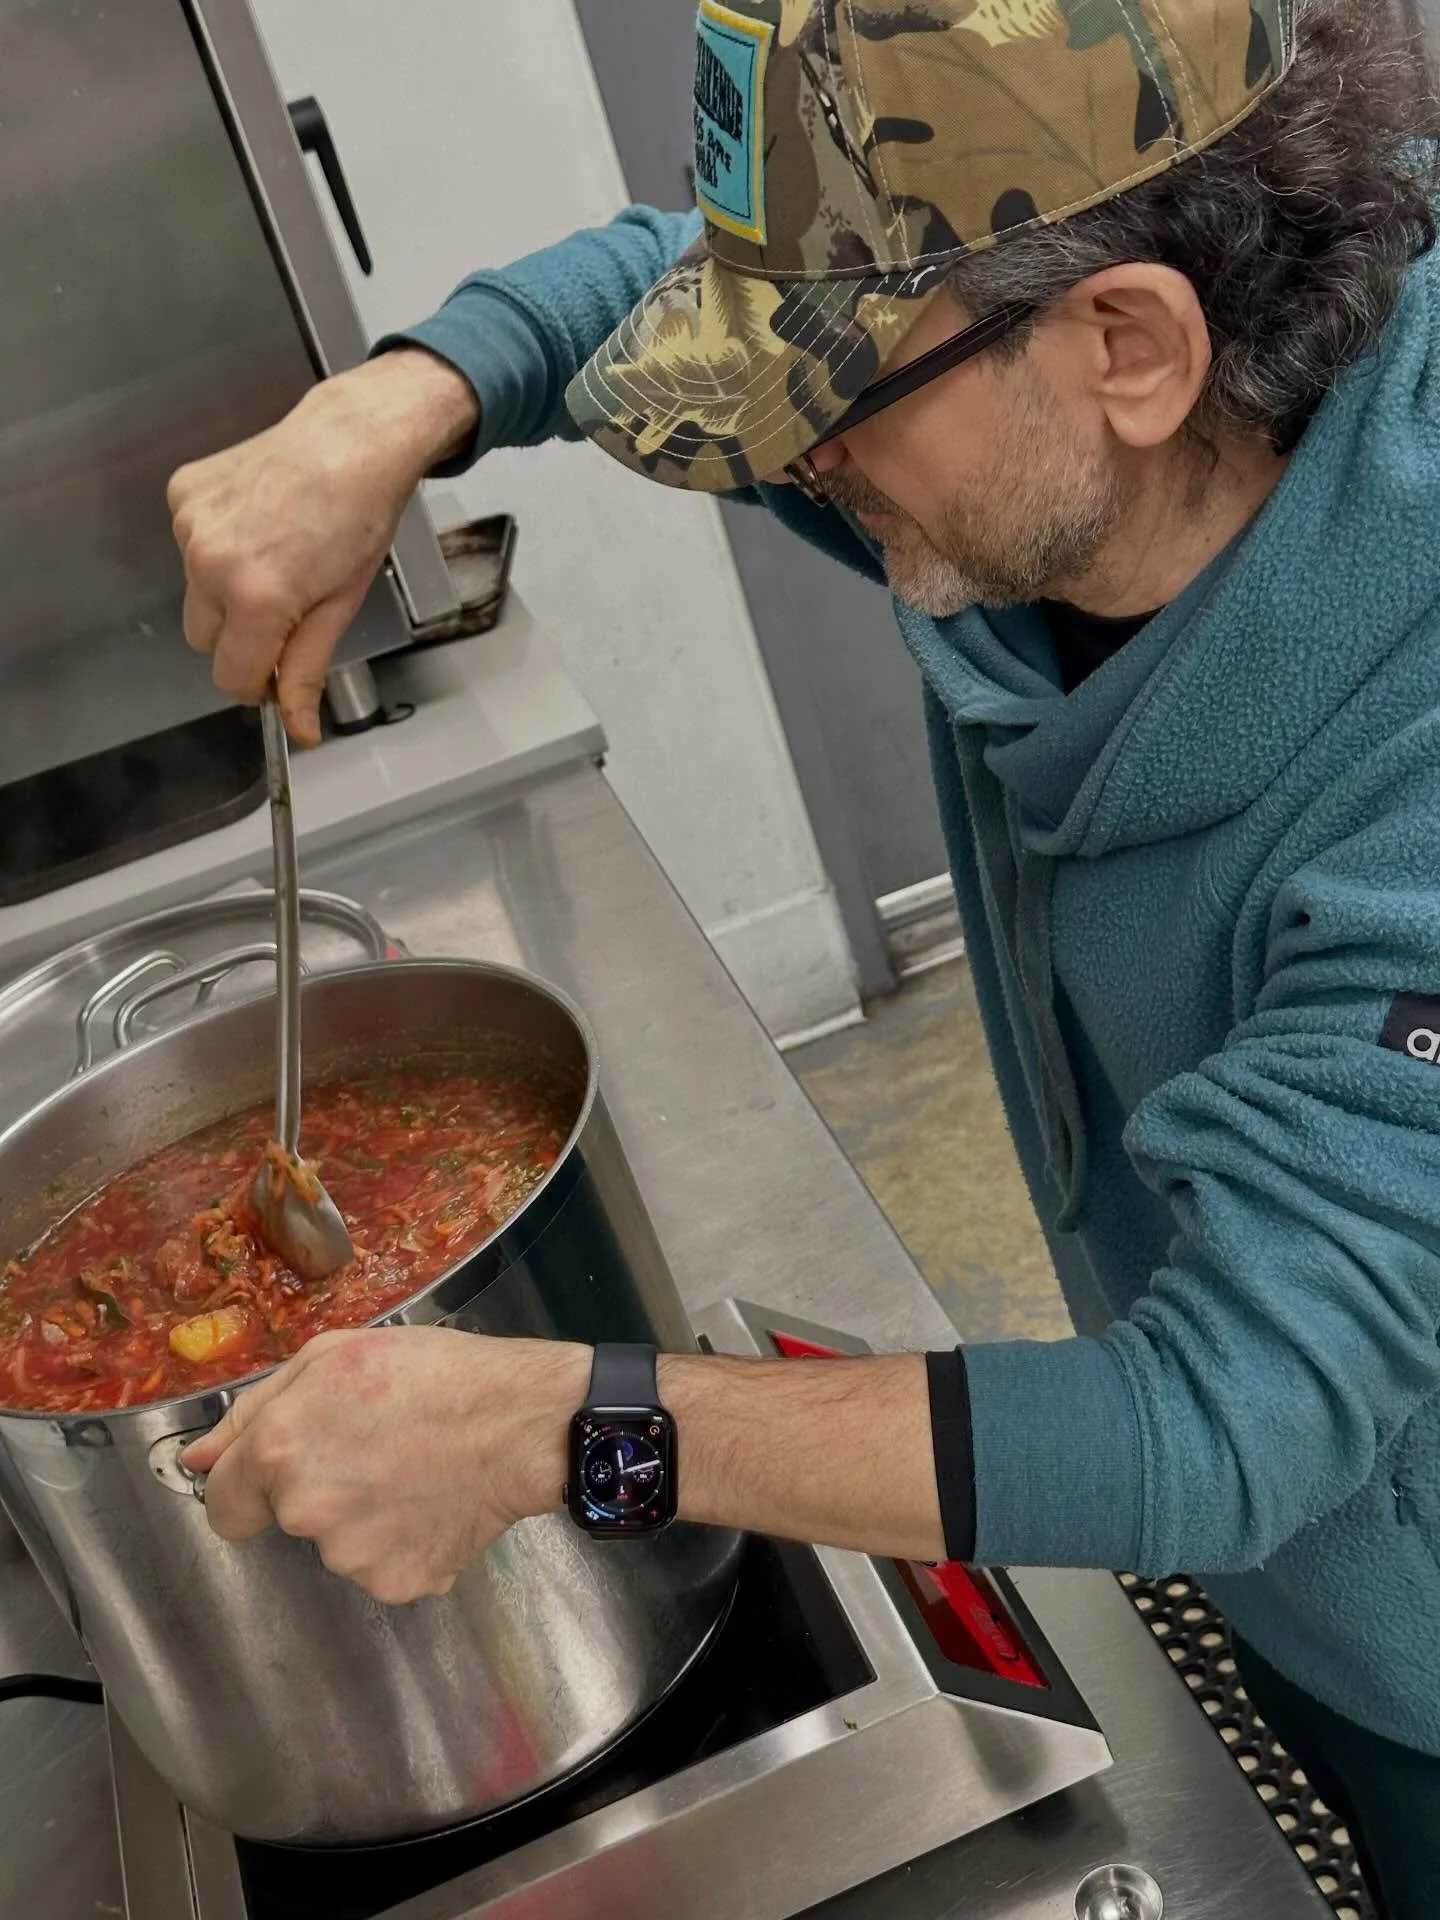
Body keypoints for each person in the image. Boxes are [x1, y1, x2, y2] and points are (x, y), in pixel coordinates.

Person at [169, 1, 1440, 1909]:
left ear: (1133, 344)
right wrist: (389, 410)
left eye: (831, 395)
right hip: (1275, 1560)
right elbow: (648, 286)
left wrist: (563, 1438)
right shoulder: (1080, 440)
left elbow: (1217, 1425)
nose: (784, 454)